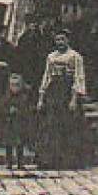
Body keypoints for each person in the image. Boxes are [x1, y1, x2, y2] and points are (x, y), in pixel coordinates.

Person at [36, 30, 90, 170]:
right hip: (54, 92)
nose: (60, 42)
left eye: (62, 39)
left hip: (67, 92)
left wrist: (74, 98)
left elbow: (79, 77)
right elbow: (46, 76)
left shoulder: (75, 56)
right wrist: (41, 97)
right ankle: (50, 159)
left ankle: (69, 160)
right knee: (51, 125)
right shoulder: (51, 57)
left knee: (68, 126)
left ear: (68, 40)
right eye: (57, 40)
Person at [0, 71, 34, 170]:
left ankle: (20, 162)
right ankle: (9, 162)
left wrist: (20, 111)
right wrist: (8, 111)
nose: (14, 88)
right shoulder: (6, 97)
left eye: (17, 85)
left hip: (20, 123)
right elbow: (1, 107)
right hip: (9, 122)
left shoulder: (24, 97)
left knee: (20, 143)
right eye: (12, 85)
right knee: (9, 143)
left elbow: (28, 109)